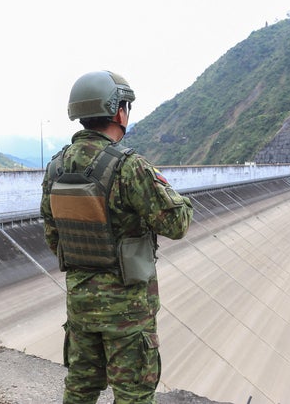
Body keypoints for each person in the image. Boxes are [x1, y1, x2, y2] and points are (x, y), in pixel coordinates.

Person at [40, 70, 193, 404]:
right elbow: (176, 224)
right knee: (133, 394)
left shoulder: (55, 168)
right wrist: (178, 198)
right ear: (118, 111)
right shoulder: (130, 166)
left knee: (80, 387)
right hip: (128, 312)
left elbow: (54, 237)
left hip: (81, 304)